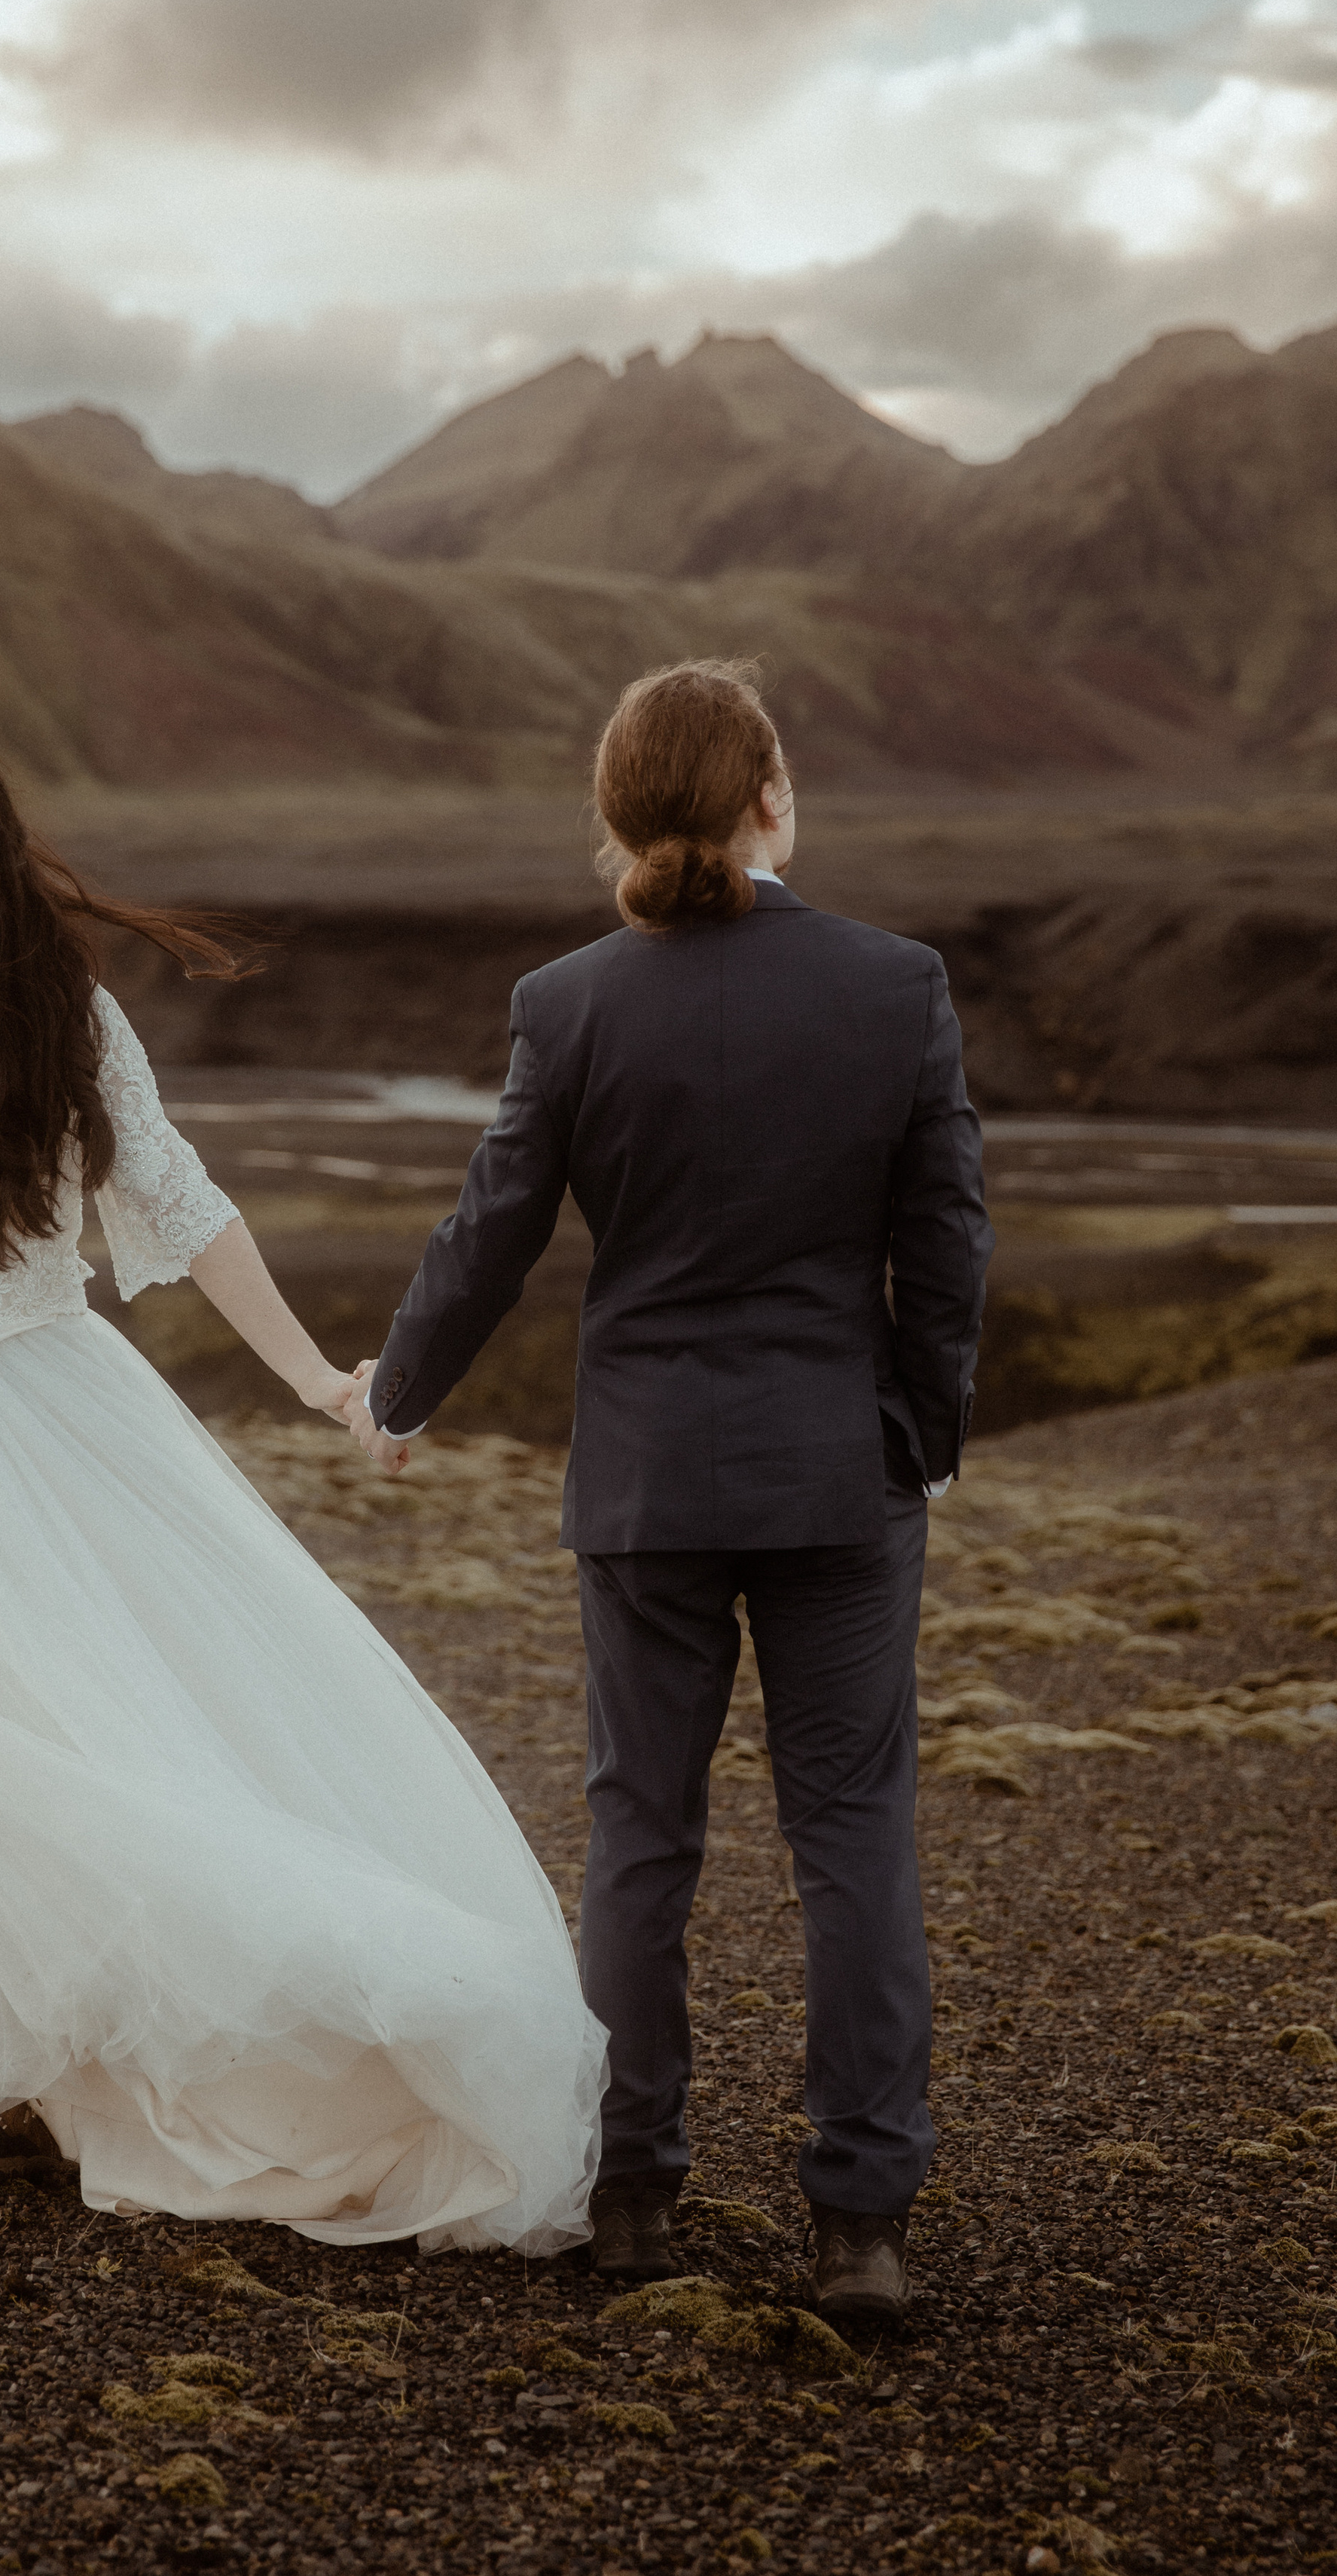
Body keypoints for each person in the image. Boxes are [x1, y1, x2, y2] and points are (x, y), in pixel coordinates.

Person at [0, 733, 606, 2254]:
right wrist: (317, 1375)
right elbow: (185, 1215)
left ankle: (23, 2067)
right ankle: (39, 2063)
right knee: (66, 1728)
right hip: (60, 1402)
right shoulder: (67, 1012)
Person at [351, 659, 993, 2313]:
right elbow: (946, 1241)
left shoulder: (567, 1004)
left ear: (615, 812)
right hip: (836, 1477)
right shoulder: (892, 984)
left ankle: (629, 2191)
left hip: (643, 1481)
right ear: (768, 795)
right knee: (852, 1836)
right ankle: (860, 2223)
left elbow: (490, 1230)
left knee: (641, 1837)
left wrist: (397, 1391)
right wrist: (912, 1431)